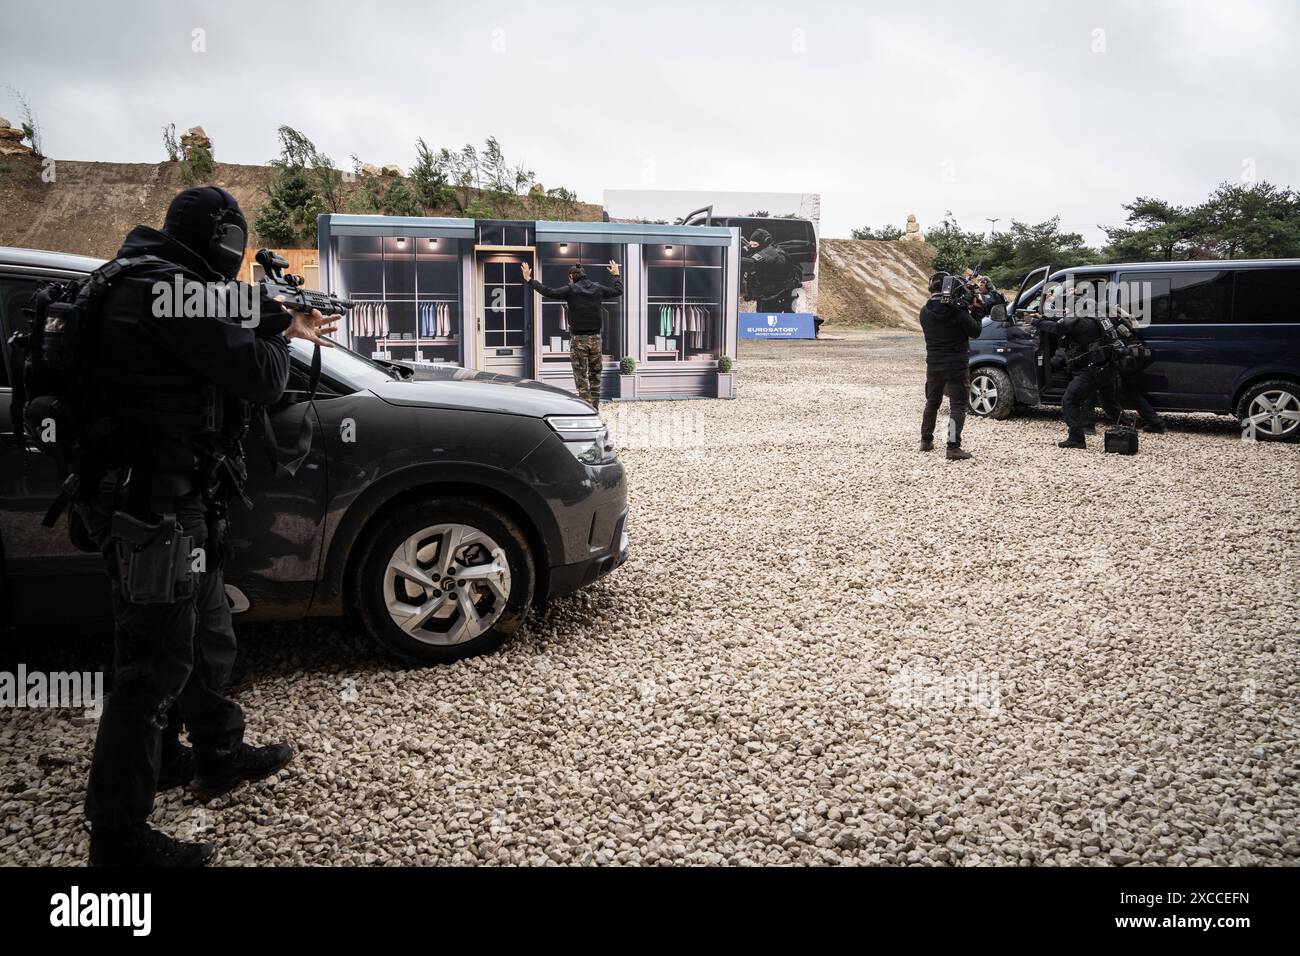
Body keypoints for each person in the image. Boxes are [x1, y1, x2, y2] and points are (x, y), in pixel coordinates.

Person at [76, 186, 338, 866]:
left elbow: (218, 313)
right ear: (223, 237)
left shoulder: (139, 277)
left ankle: (211, 754)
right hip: (153, 507)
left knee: (199, 631)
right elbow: (258, 379)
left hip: (157, 499)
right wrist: (282, 337)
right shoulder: (169, 289)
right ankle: (118, 839)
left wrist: (278, 317)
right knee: (151, 666)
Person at [1031, 285, 1124, 448]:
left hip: (1091, 371)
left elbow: (1058, 327)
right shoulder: (1098, 318)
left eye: (1067, 309)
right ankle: (1127, 429)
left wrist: (1037, 322)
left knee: (1069, 401)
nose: (1065, 312)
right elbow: (1062, 322)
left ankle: (1076, 438)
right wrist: (1045, 317)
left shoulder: (1081, 324)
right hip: (1108, 368)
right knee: (1109, 403)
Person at [521, 259, 622, 409]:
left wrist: (529, 280)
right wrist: (616, 275)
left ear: (571, 276)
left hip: (578, 340)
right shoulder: (598, 288)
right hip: (596, 339)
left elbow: (548, 291)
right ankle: (594, 408)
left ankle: (587, 410)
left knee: (581, 377)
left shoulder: (570, 290)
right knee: (595, 376)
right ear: (584, 275)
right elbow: (618, 291)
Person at [919, 272, 983, 460]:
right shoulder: (958, 312)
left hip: (934, 364)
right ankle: (953, 447)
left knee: (932, 402)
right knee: (958, 405)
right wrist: (976, 311)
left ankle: (926, 440)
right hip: (956, 365)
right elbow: (976, 331)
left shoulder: (925, 311)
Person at [741, 229, 798, 313]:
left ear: (765, 242)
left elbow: (751, 263)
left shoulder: (770, 253)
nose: (752, 247)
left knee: (771, 322)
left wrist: (732, 256)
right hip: (772, 293)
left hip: (777, 296)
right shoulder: (770, 248)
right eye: (751, 244)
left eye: (755, 245)